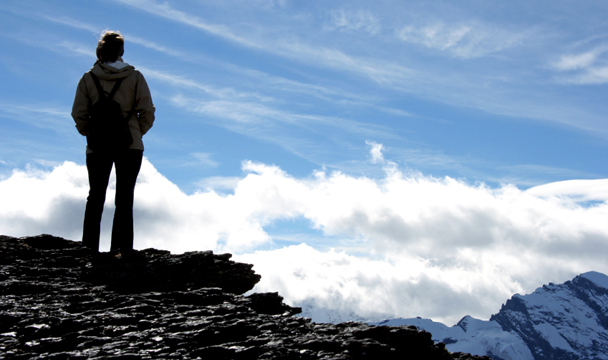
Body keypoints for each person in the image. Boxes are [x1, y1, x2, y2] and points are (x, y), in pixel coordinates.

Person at [71, 30, 155, 252]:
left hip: (97, 145)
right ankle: (121, 250)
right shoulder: (135, 77)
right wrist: (136, 132)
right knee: (125, 197)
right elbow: (147, 111)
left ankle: (88, 249)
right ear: (121, 52)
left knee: (95, 196)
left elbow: (78, 113)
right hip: (130, 145)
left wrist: (90, 133)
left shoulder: (88, 78)